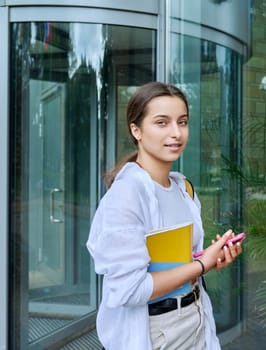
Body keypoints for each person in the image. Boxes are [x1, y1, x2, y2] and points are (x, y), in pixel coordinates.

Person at [86, 81, 243, 350]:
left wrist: (210, 258)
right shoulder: (125, 197)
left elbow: (174, 263)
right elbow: (131, 289)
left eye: (182, 122)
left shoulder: (184, 188)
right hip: (155, 332)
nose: (176, 133)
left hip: (195, 319)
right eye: (162, 123)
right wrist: (202, 265)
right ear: (136, 130)